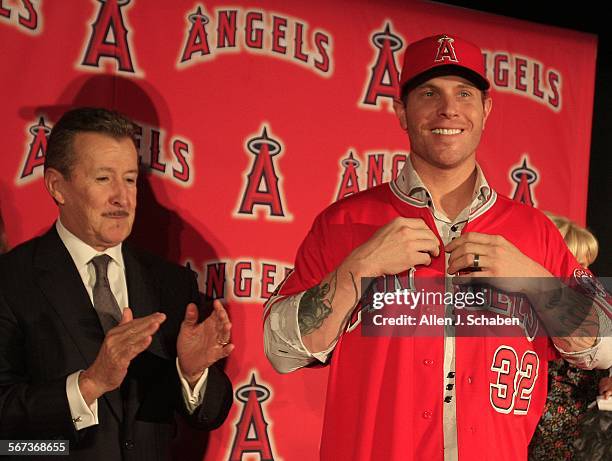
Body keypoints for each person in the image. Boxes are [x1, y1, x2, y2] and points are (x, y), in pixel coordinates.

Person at [263, 34, 612, 461]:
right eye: (429, 93)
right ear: (402, 113)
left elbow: (606, 343)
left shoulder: (533, 231)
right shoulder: (344, 222)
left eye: (464, 93)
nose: (448, 108)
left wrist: (532, 279)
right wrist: (359, 267)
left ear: (485, 110)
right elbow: (280, 350)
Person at [0, 107, 234, 460]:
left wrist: (193, 373)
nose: (122, 199)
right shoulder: (11, 280)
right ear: (57, 186)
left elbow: (207, 415)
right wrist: (89, 384)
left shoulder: (171, 282)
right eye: (103, 179)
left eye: (129, 179)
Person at [529, 213, 607, 460]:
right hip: (529, 419)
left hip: (580, 425)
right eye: (576, 264)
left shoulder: (596, 305)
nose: (584, 274)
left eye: (586, 265)